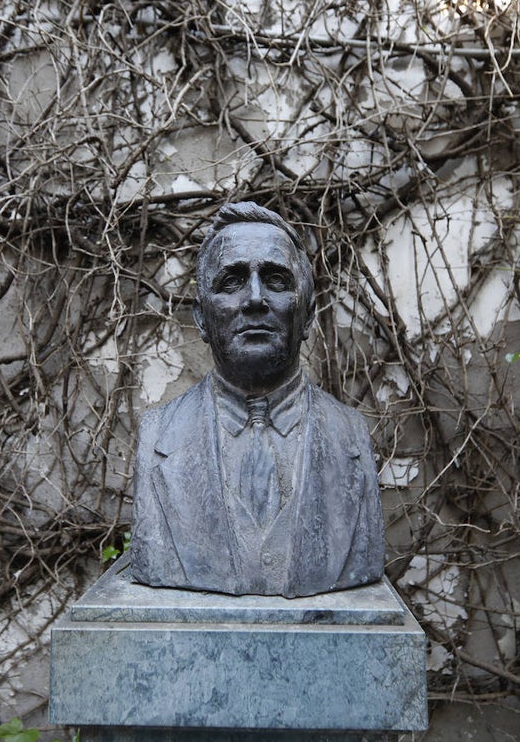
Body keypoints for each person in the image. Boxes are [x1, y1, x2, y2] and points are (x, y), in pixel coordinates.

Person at [129, 201, 384, 597]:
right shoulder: (158, 436)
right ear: (200, 319)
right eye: (231, 281)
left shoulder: (350, 436)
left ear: (309, 314)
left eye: (276, 280)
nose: (254, 299)